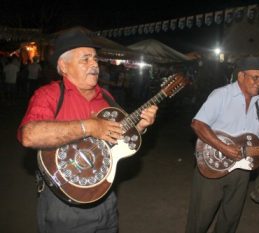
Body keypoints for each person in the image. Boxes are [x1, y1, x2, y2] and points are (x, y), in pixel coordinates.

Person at [17, 27, 158, 233]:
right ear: (64, 66)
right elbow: (29, 135)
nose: (95, 64)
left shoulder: (107, 99)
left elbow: (117, 136)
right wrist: (90, 126)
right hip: (64, 204)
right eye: (85, 59)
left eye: (95, 59)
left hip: (106, 197)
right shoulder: (49, 95)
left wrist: (139, 126)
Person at [185, 56, 259, 233]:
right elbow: (198, 124)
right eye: (255, 77)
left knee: (230, 219)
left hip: (242, 168)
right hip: (212, 165)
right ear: (241, 76)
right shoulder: (222, 95)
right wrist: (224, 148)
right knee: (200, 218)